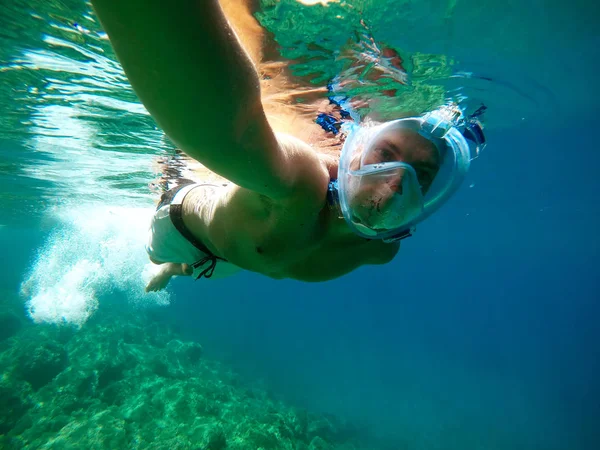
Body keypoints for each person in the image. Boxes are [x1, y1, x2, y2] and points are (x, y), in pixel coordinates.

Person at [90, 0, 486, 292]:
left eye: (423, 172)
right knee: (161, 259)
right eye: (385, 153)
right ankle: (168, 266)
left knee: (203, 266)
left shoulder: (379, 249)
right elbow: (237, 131)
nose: (399, 182)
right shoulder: (301, 183)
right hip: (179, 228)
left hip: (234, 257)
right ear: (360, 143)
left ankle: (177, 269)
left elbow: (270, 257)